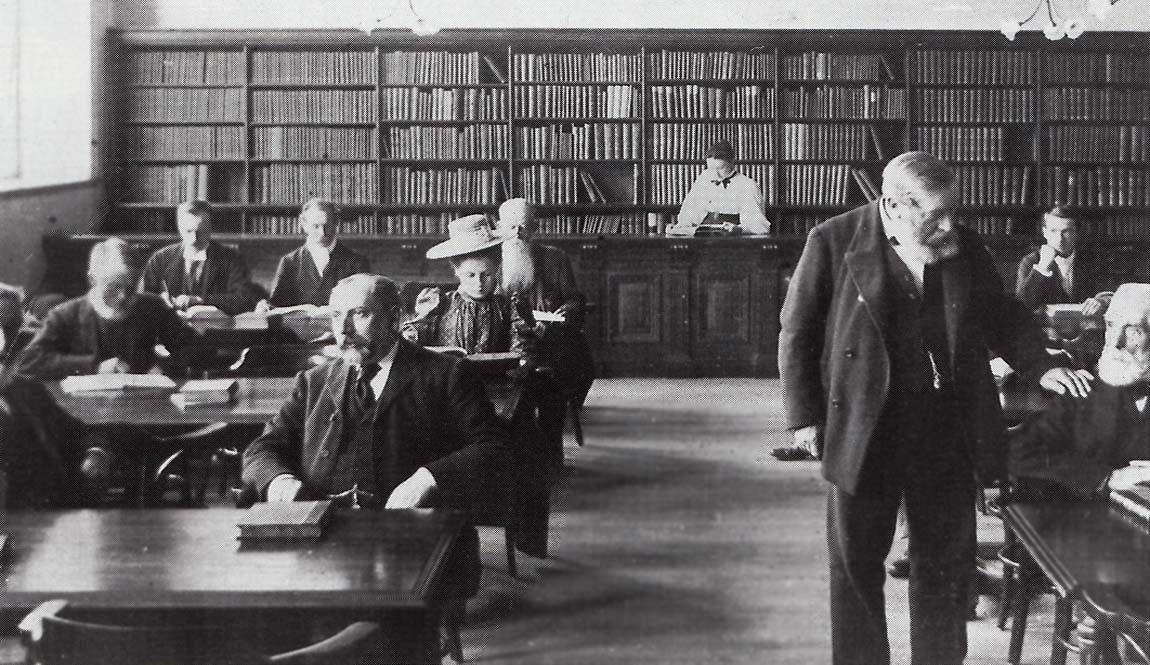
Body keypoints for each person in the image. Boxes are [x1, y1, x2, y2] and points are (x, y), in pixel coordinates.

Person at [778, 151, 1089, 665]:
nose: (950, 225)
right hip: (864, 425)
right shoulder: (832, 240)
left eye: (954, 211)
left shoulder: (962, 245)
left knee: (944, 565)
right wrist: (804, 418)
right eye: (935, 215)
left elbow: (1002, 315)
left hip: (945, 427)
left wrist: (1040, 364)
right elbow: (798, 333)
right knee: (855, 566)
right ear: (894, 205)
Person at [241, 273, 509, 598]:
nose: (344, 329)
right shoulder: (312, 382)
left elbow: (494, 448)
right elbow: (262, 450)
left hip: (413, 539)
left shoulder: (447, 375)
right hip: (321, 541)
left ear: (394, 318)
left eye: (360, 313)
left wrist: (427, 478)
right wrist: (279, 480)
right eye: (337, 315)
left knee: (379, 632)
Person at [1010, 282, 1150, 499]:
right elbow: (1015, 451)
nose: (1115, 342)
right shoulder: (1084, 390)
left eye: (1133, 331)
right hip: (1086, 522)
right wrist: (1105, 478)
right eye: (1111, 325)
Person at [495, 198, 595, 470]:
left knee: (564, 372)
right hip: (501, 337)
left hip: (548, 338)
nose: (517, 233)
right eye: (511, 226)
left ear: (535, 228)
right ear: (499, 226)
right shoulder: (490, 259)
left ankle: (550, 449)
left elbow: (574, 300)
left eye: (524, 226)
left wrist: (562, 313)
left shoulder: (554, 258)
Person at [0, 283, 116, 508]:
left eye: (13, 331)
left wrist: (96, 453)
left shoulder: (25, 388)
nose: (5, 347)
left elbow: (79, 431)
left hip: (57, 518)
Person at [19, 238, 200, 380]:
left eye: (131, 287)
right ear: (93, 280)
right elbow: (29, 362)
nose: (123, 295)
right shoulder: (66, 314)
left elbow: (192, 348)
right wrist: (94, 366)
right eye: (114, 287)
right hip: (84, 411)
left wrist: (162, 365)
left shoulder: (152, 307)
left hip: (144, 403)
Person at [402, 214, 534, 357]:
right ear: (457, 271)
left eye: (486, 274)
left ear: (496, 268)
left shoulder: (509, 307)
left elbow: (521, 349)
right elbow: (416, 335)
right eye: (470, 275)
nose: (479, 283)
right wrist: (411, 337)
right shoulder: (440, 303)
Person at [140, 200, 262, 315]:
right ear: (179, 227)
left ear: (210, 228)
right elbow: (144, 299)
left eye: (200, 232)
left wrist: (200, 300)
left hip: (214, 331)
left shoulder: (231, 259)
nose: (193, 239)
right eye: (188, 231)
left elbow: (243, 298)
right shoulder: (160, 258)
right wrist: (160, 300)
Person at [257, 198, 370, 311]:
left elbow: (364, 308)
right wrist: (265, 307)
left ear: (336, 223)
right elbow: (276, 306)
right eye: (316, 226)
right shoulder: (289, 262)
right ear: (303, 224)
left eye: (327, 226)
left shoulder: (357, 262)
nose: (322, 233)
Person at [1015, 206, 1110, 315]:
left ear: (1076, 233)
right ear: (1044, 232)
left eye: (1066, 231)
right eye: (1053, 231)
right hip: (1044, 329)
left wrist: (1100, 301)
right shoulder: (1031, 261)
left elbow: (1108, 294)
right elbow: (1021, 307)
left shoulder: (1092, 260)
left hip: (1085, 327)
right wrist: (1042, 268)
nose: (1060, 238)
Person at [671, 139, 771, 235]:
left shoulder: (747, 185)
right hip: (703, 236)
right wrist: (683, 225)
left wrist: (740, 229)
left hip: (734, 239)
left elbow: (759, 225)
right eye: (711, 168)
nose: (716, 174)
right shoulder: (704, 178)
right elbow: (690, 211)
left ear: (732, 162)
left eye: (720, 168)